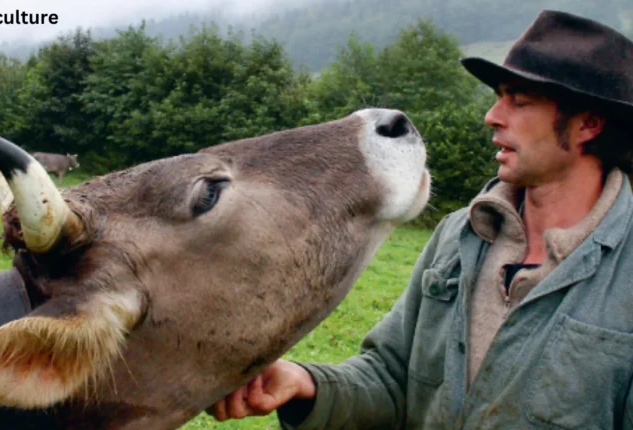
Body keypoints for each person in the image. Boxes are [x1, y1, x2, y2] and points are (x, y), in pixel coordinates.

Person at [207, 9, 633, 429]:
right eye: (499, 96)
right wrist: (306, 383)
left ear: (588, 125)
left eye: (519, 101)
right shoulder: (458, 236)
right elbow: (391, 378)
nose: (493, 115)